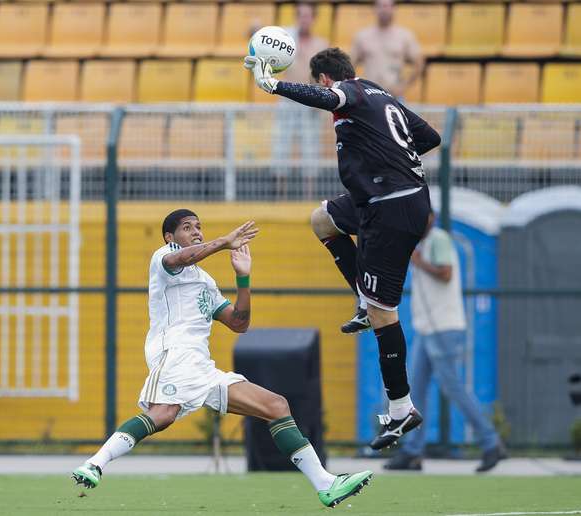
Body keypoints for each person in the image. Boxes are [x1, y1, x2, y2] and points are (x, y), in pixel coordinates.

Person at [73, 210, 373, 508]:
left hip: (202, 365)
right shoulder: (163, 259)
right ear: (169, 237)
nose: (196, 232)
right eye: (187, 227)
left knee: (275, 406)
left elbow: (239, 323)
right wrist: (224, 241)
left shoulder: (205, 282)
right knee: (163, 413)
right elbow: (182, 258)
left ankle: (325, 484)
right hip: (174, 353)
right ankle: (95, 464)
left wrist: (243, 277)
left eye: (199, 227)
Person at [245, 47, 440, 450]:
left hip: (391, 206)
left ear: (323, 79)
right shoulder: (380, 94)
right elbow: (430, 137)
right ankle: (360, 300)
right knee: (322, 219)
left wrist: (274, 84)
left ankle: (402, 409)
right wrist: (390, 158)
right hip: (383, 198)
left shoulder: (348, 92)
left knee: (384, 313)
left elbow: (331, 99)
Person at [385, 215, 507, 472]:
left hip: (443, 328)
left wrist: (420, 262)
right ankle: (413, 453)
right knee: (414, 390)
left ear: (430, 219)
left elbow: (447, 273)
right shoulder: (423, 243)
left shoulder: (438, 239)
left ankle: (490, 441)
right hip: (427, 328)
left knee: (453, 388)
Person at [271, 3, 329, 199]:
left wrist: (319, 98)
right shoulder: (287, 40)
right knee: (281, 147)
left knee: (310, 149)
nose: (304, 19)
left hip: (310, 102)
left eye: (308, 16)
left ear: (313, 18)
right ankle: (280, 196)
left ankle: (309, 197)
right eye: (301, 16)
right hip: (287, 100)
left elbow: (325, 76)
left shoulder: (321, 44)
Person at [351, 0, 424, 100]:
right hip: (369, 95)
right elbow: (350, 65)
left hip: (394, 95)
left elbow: (419, 63)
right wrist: (358, 86)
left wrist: (404, 86)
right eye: (380, 6)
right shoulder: (362, 36)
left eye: (388, 6)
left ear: (394, 9)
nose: (384, 10)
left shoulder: (405, 36)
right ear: (374, 9)